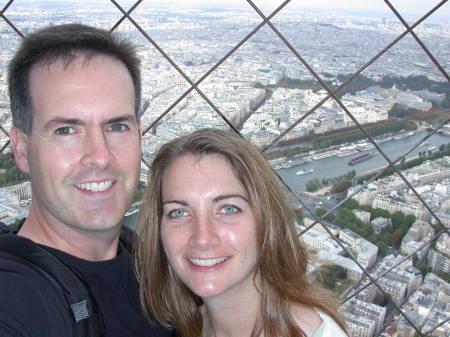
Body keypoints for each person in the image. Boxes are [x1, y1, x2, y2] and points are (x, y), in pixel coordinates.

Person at [0, 24, 172, 337]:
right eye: (66, 130)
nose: (100, 155)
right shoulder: (14, 299)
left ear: (138, 135)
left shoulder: (152, 263)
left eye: (116, 127)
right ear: (21, 149)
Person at [135, 128, 348, 337]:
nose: (202, 239)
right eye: (179, 212)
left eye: (228, 209)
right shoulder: (188, 327)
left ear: (266, 221)